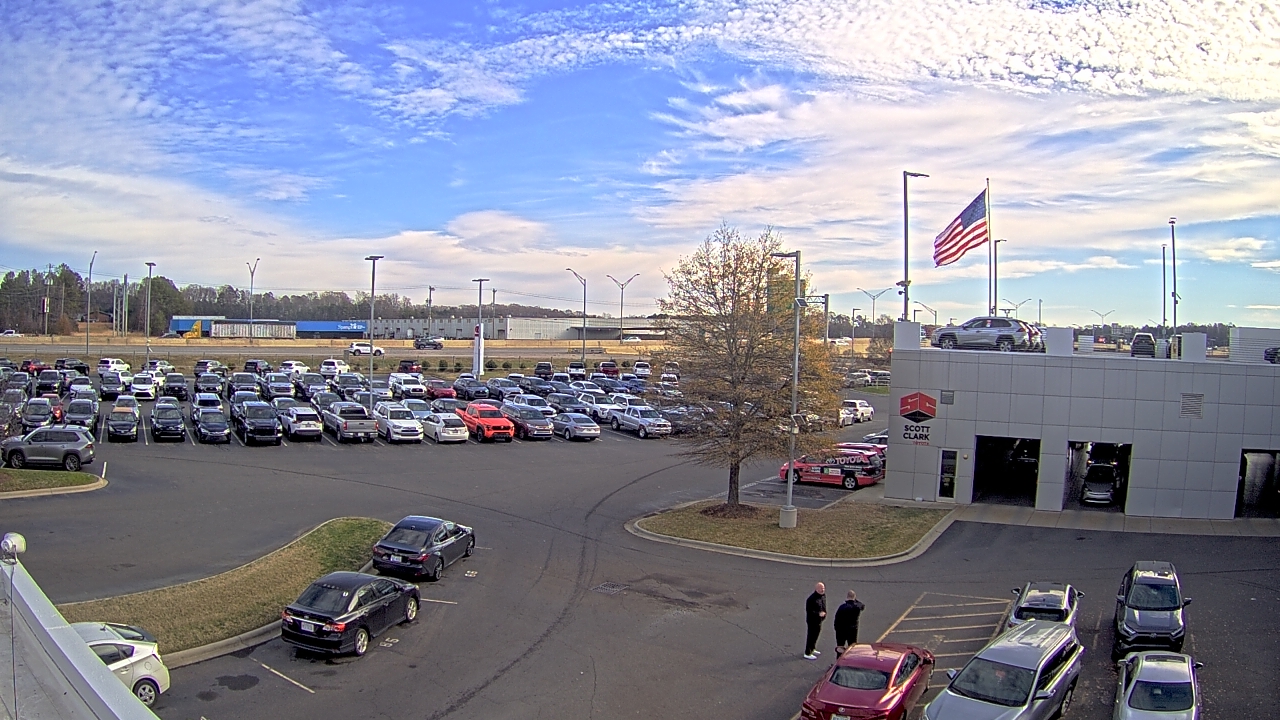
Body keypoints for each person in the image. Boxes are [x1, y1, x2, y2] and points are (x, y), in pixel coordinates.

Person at [803, 582, 826, 660]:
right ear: (816, 589)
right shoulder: (811, 599)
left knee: (816, 635)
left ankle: (812, 648)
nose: (823, 590)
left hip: (819, 620)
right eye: (821, 588)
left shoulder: (823, 596)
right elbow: (809, 611)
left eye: (823, 588)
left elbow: (823, 605)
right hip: (812, 621)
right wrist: (818, 614)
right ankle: (807, 652)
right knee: (811, 636)